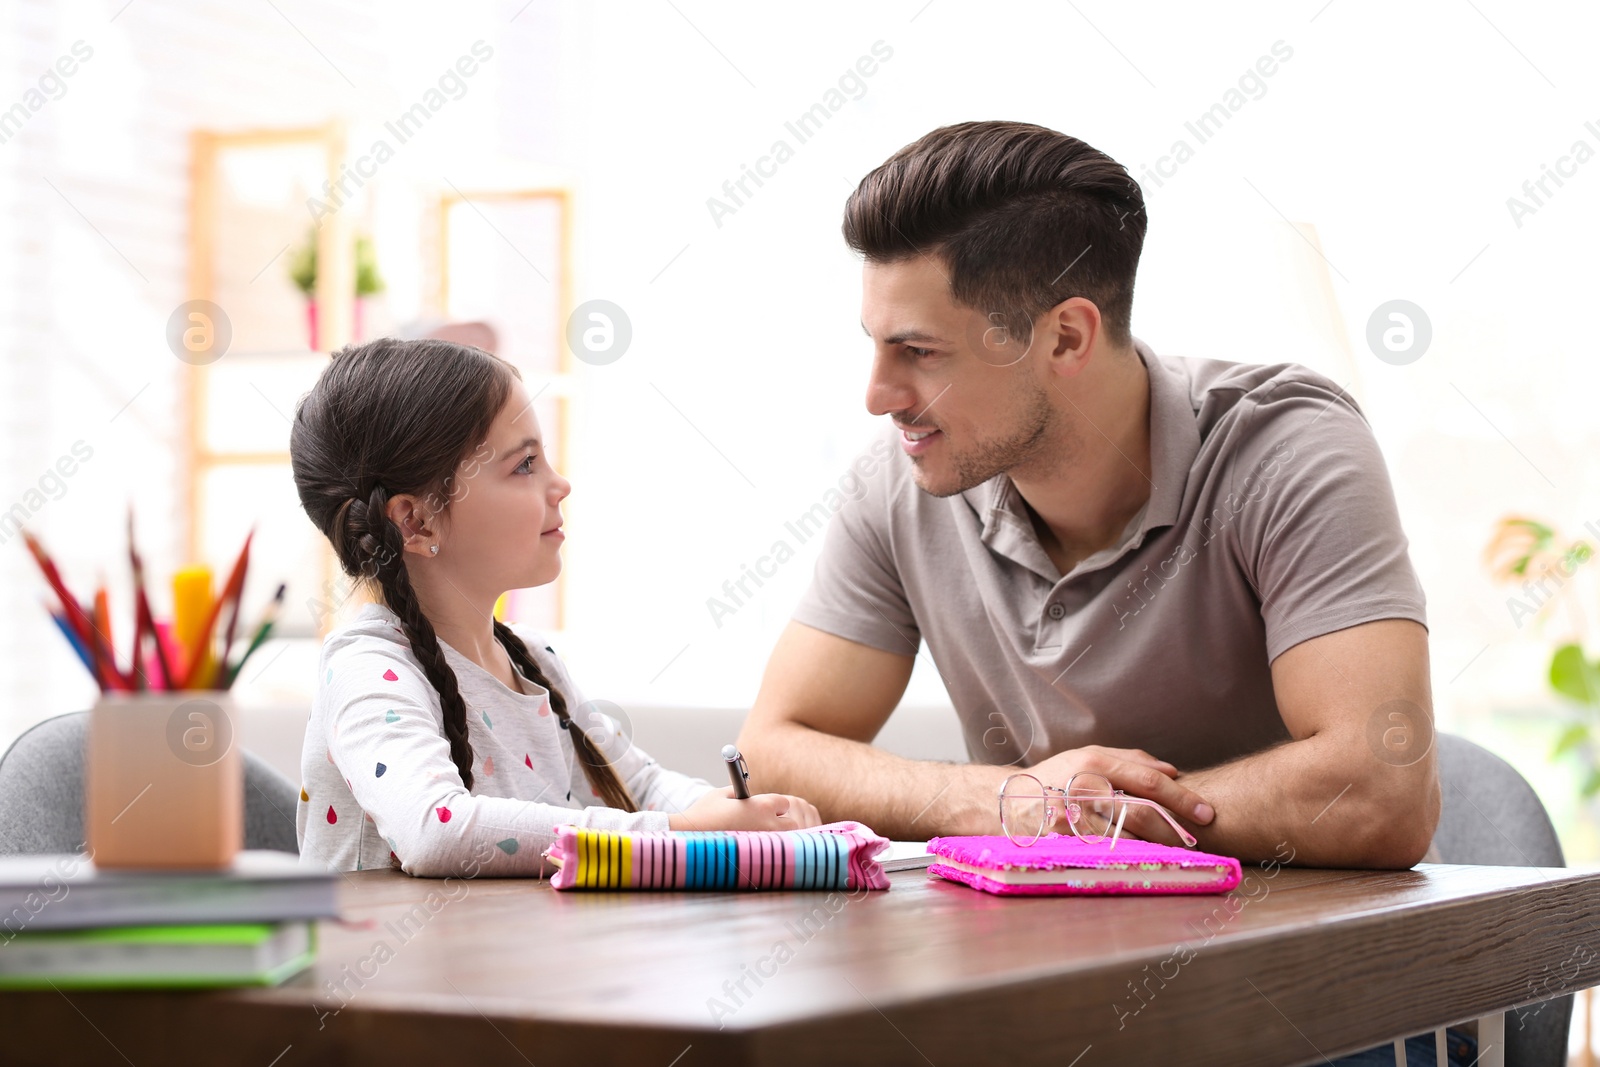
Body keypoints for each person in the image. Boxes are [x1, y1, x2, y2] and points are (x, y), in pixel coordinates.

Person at [738, 120, 1440, 873]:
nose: (877, 396)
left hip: (1289, 966)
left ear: (1067, 338)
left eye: (919, 351)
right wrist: (1006, 801)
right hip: (1037, 960)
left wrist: (1084, 814)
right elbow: (771, 753)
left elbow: (1383, 795)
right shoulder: (900, 480)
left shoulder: (1287, 450)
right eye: (874, 345)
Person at [290, 338, 819, 876]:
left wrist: (745, 814)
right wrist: (680, 833)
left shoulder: (531, 659)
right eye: (524, 465)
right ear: (417, 523)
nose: (560, 485)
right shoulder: (367, 670)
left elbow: (641, 787)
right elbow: (437, 829)